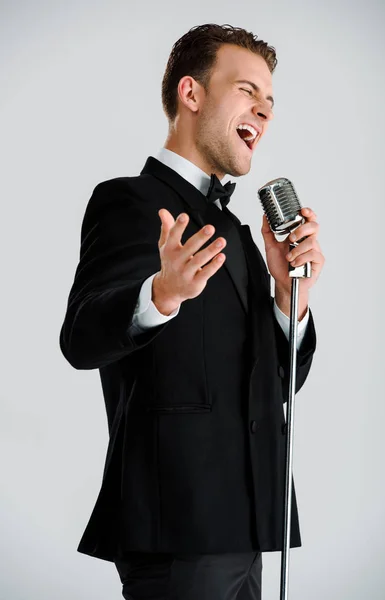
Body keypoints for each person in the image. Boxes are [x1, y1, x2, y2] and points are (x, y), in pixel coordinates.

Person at [60, 23, 324, 600]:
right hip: (176, 523)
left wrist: (287, 298)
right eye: (247, 90)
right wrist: (160, 294)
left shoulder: (238, 231)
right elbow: (80, 338)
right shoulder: (128, 200)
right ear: (191, 94)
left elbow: (280, 381)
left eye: (271, 101)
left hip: (251, 524)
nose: (265, 110)